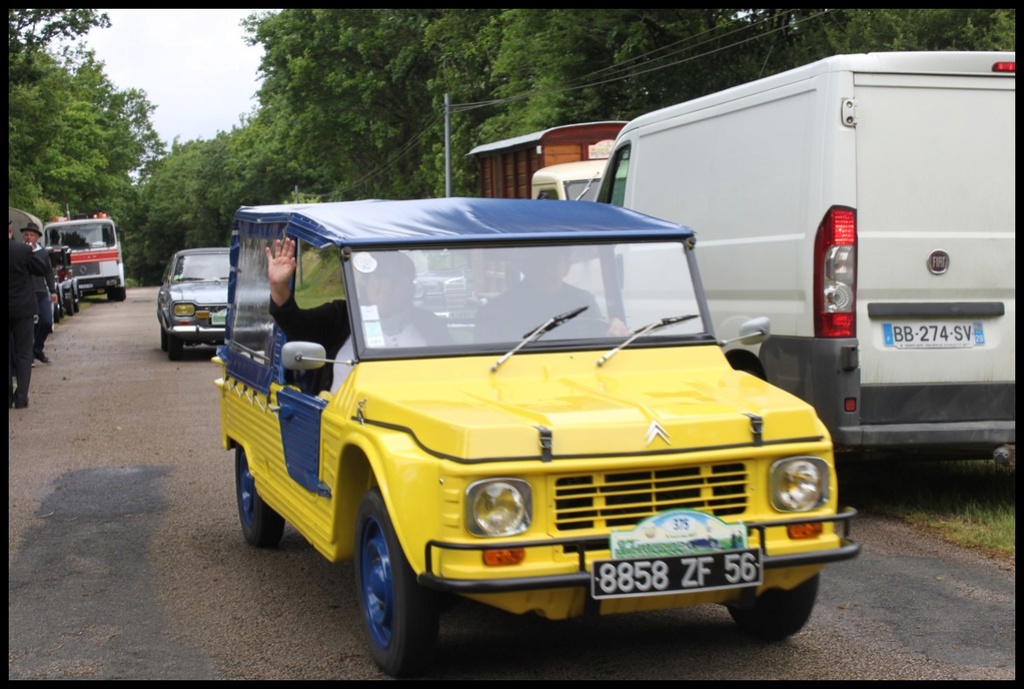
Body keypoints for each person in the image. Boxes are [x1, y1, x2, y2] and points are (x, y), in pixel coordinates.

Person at [266, 238, 450, 394]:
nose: (385, 285)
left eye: (395, 278)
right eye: (379, 276)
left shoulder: (431, 325)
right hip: (342, 422)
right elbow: (296, 324)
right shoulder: (341, 316)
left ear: (410, 288)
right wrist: (279, 286)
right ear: (367, 282)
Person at [475, 246, 626, 342]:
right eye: (540, 262)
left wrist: (613, 333)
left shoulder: (583, 301)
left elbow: (598, 344)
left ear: (566, 267)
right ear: (525, 267)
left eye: (554, 262)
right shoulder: (497, 310)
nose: (547, 271)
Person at [9, 219, 52, 408]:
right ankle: (21, 398)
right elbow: (41, 269)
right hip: (22, 308)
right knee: (24, 352)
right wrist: (33, 250)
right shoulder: (22, 250)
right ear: (10, 231)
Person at [20, 223, 57, 364]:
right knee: (28, 325)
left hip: (41, 291)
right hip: (26, 293)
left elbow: (48, 271)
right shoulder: (19, 250)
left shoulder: (42, 253)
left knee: (47, 321)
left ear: (37, 237)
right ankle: (27, 355)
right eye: (26, 234)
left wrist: (53, 290)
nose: (29, 237)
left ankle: (37, 349)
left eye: (32, 235)